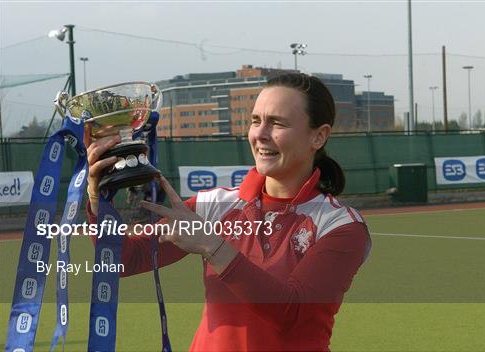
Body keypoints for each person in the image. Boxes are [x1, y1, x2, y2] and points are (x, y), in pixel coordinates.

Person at [86, 73, 372, 351]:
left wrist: (212, 245)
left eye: (277, 123)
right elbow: (124, 260)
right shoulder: (215, 205)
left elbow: (292, 313)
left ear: (319, 137)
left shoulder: (340, 226)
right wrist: (99, 198)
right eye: (255, 121)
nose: (260, 134)